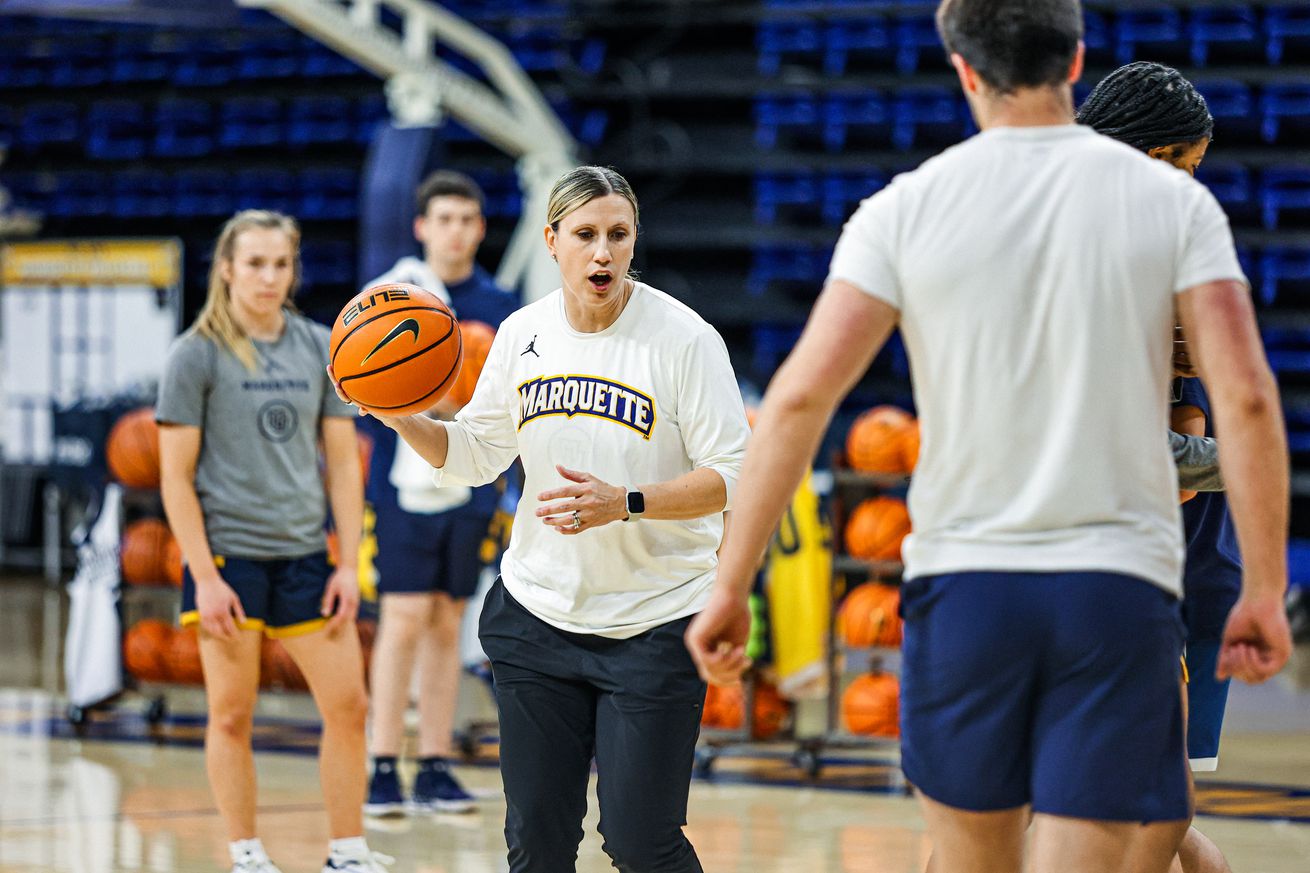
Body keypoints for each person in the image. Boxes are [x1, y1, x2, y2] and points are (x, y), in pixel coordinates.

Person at [686, 2, 1293, 873]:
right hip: (1116, 589)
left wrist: (732, 583)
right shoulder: (1174, 206)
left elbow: (795, 404)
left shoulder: (904, 207)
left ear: (964, 69)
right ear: (1077, 59)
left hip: (968, 589)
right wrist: (1266, 587)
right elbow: (1251, 404)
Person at [332, 165, 750, 872]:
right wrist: (399, 414)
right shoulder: (522, 333)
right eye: (585, 235)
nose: (603, 252)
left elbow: (733, 477)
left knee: (641, 842)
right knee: (537, 844)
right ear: (552, 240)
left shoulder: (685, 339)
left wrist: (628, 501)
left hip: (652, 621)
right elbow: (472, 453)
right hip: (538, 616)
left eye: (618, 235)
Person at [157, 210, 387, 873]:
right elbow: (175, 480)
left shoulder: (320, 344)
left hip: (307, 557)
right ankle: (246, 852)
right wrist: (204, 574)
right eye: (254, 263)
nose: (268, 276)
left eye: (280, 263)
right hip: (229, 558)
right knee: (231, 714)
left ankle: (346, 850)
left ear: (294, 270)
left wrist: (347, 561)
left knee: (349, 706)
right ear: (226, 269)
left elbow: (344, 464)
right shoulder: (193, 354)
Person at [1078, 61, 1237, 873]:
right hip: (1080, 562)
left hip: (1166, 561)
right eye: (1174, 164)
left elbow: (1177, 453)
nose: (1186, 187)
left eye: (1194, 171)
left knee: (1152, 815)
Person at [360, 171, 517, 816]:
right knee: (401, 621)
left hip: (473, 480)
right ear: (422, 228)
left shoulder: (502, 306)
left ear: (481, 229)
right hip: (401, 485)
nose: (456, 230)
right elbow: (362, 389)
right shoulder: (392, 299)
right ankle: (379, 765)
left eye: (467, 219)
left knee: (449, 622)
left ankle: (434, 763)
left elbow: (509, 401)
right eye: (443, 218)